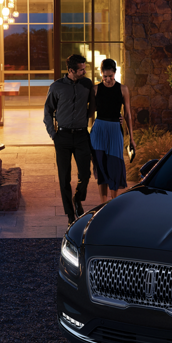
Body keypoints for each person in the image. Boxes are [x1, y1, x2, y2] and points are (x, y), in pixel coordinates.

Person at [44, 53, 96, 226]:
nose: (84, 72)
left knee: (85, 174)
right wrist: (53, 134)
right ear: (71, 70)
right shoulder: (56, 87)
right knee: (64, 177)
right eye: (81, 70)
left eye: (84, 69)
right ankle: (70, 215)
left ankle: (78, 198)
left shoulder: (87, 84)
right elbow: (48, 111)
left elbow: (95, 104)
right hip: (63, 137)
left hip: (82, 135)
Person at [89, 58, 135, 204]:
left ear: (115, 73)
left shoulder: (123, 89)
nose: (108, 79)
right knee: (101, 167)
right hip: (99, 131)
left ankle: (113, 204)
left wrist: (131, 138)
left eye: (111, 76)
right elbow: (90, 112)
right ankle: (103, 205)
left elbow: (128, 114)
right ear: (101, 74)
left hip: (115, 130)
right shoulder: (95, 89)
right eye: (105, 76)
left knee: (115, 167)